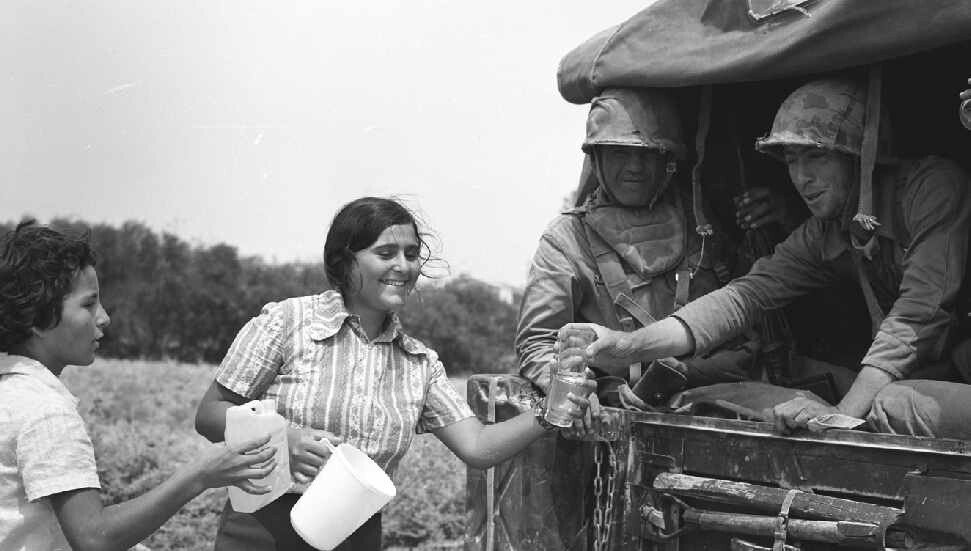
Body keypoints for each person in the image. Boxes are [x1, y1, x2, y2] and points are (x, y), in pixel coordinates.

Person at [569, 76, 971, 438]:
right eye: (792, 160)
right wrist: (628, 345)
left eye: (816, 156)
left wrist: (840, 421)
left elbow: (918, 313)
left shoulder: (930, 189)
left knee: (891, 404)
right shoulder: (827, 229)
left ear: (860, 156)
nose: (801, 177)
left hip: (953, 375)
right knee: (761, 389)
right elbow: (746, 297)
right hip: (924, 377)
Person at [194, 196, 597, 551]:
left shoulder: (418, 364)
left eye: (411, 253)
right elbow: (212, 413)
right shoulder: (287, 323)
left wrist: (550, 411)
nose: (403, 266)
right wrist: (286, 440)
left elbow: (477, 446)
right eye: (385, 253)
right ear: (344, 260)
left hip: (354, 534)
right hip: (262, 530)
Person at [0, 221, 277, 551]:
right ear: (38, 319)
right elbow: (94, 537)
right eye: (88, 305)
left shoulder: (12, 391)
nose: (104, 318)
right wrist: (201, 474)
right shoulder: (46, 413)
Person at [516, 87, 761, 412]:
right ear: (596, 158)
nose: (635, 166)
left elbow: (747, 329)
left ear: (668, 162)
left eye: (648, 154)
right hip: (613, 405)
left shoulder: (705, 225)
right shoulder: (567, 238)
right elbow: (539, 342)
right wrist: (575, 389)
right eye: (619, 152)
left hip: (710, 398)